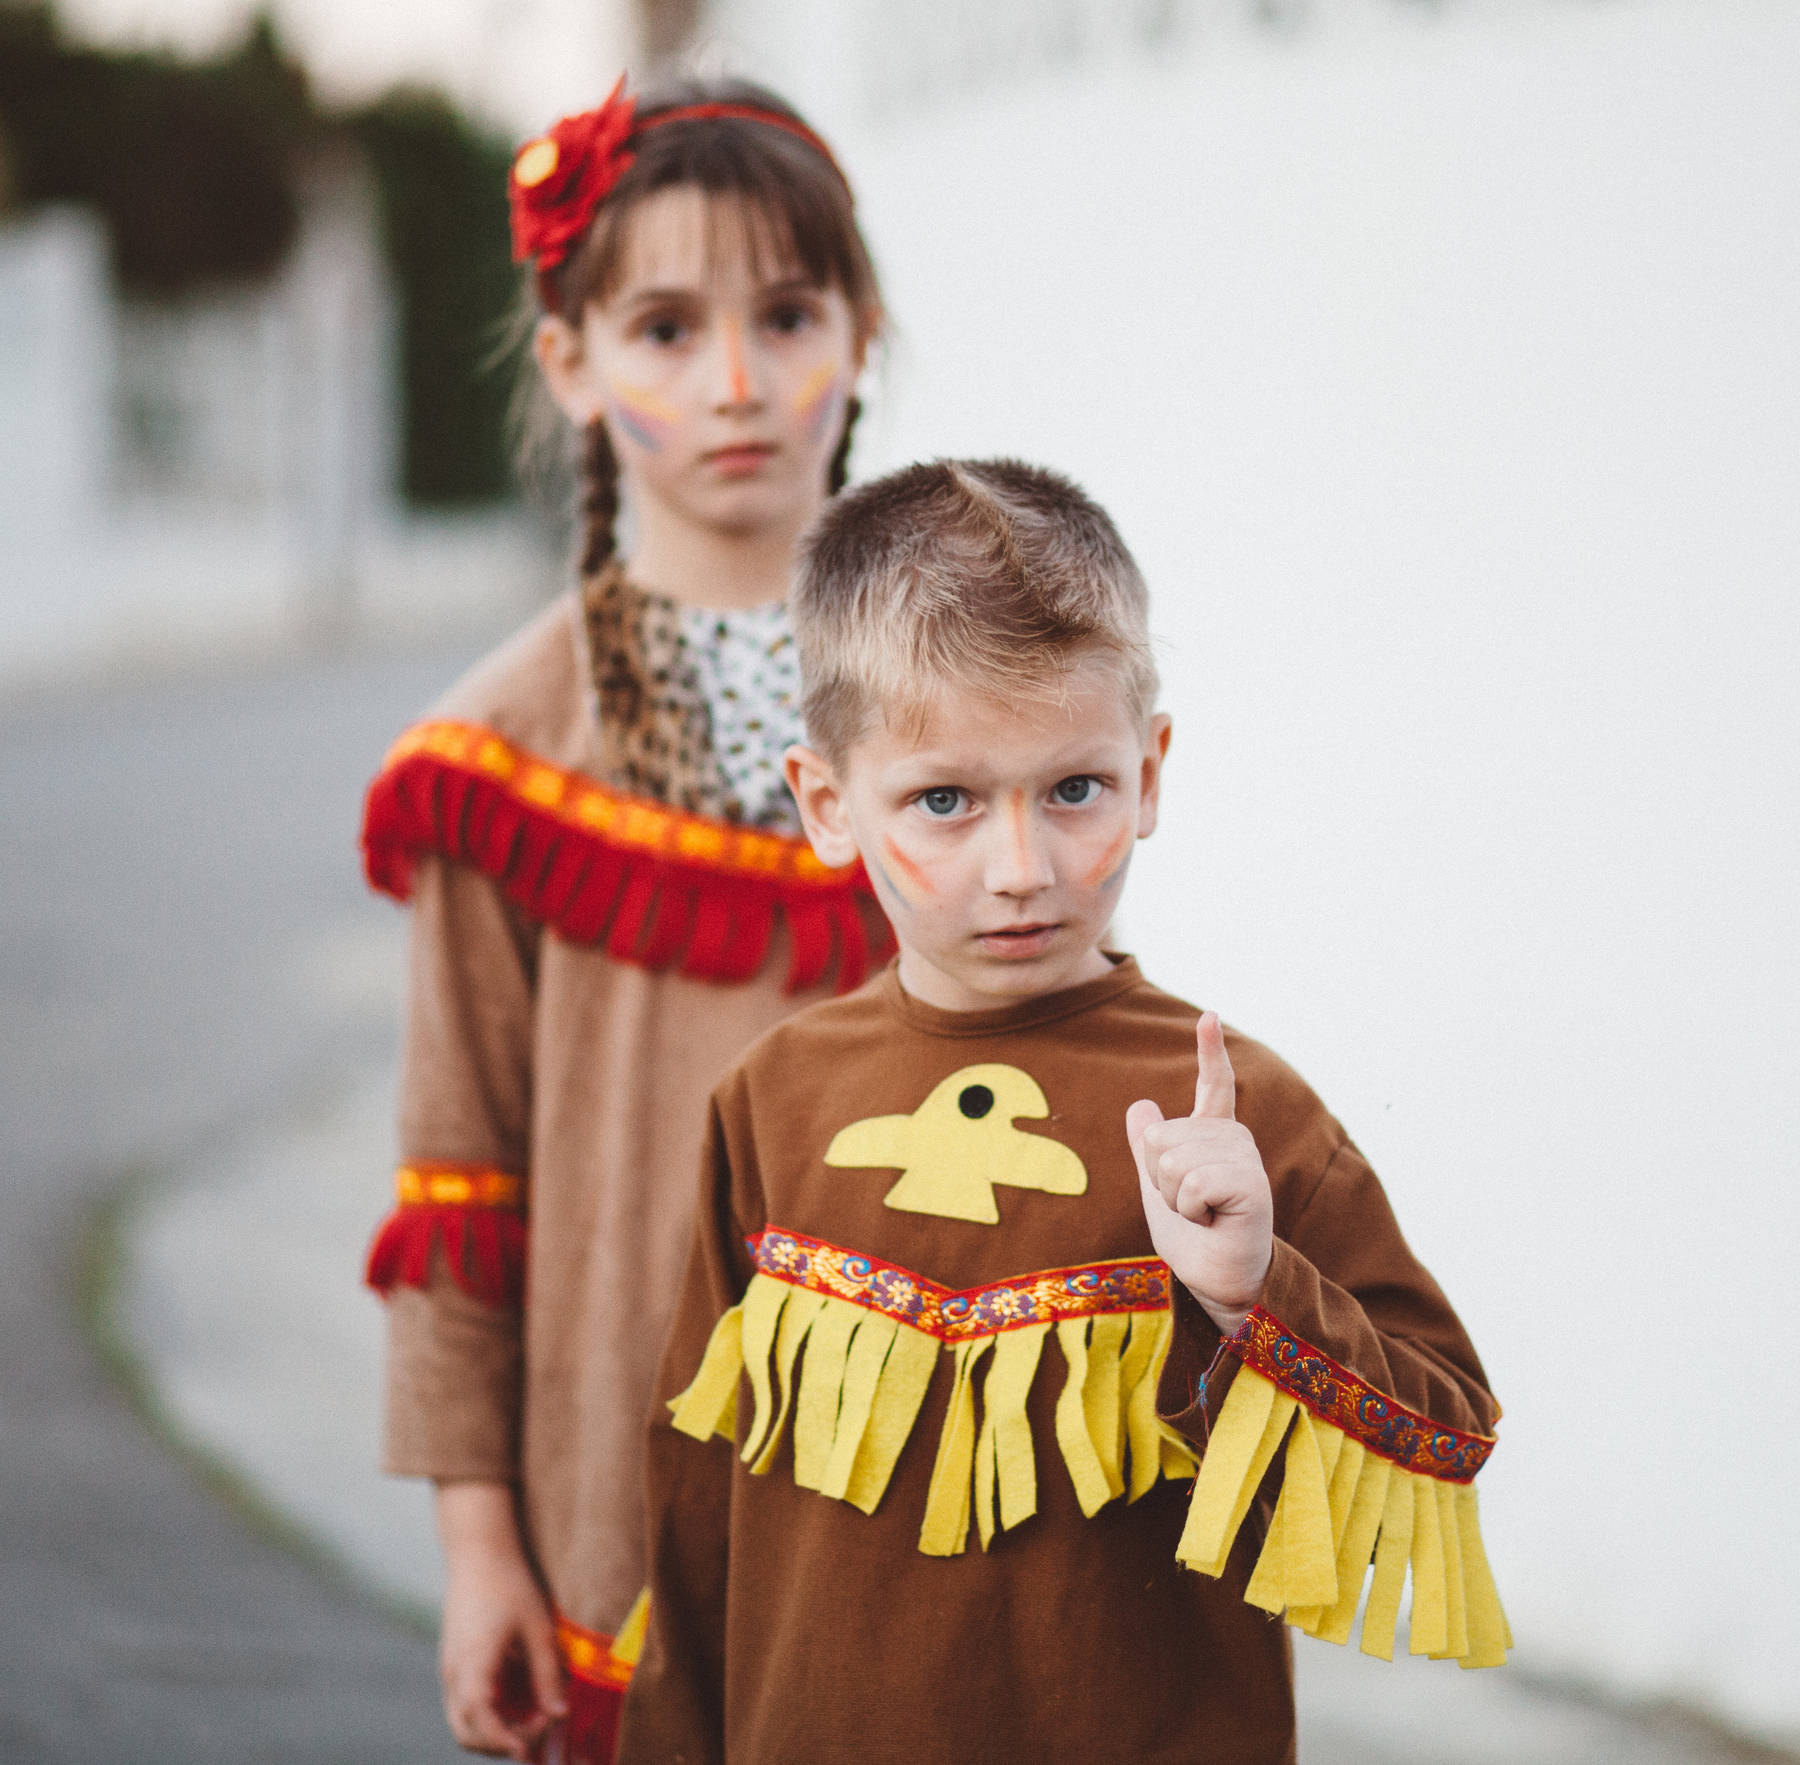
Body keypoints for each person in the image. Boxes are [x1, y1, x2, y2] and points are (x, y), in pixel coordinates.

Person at [616, 460, 1508, 1764]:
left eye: (1074, 789)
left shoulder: (1239, 1118)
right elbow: (694, 1515)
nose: (1021, 868)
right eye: (945, 800)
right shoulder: (769, 1104)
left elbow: (1443, 1441)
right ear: (827, 804)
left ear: (1149, 773)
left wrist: (1252, 1291)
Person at [357, 75, 889, 1764]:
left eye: (787, 314)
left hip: (927, 1496)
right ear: (572, 362)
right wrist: (476, 1548)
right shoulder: (496, 763)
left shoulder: (958, 718)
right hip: (622, 1516)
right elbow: (459, 1181)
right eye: (665, 327)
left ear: (859, 336)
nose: (736, 383)